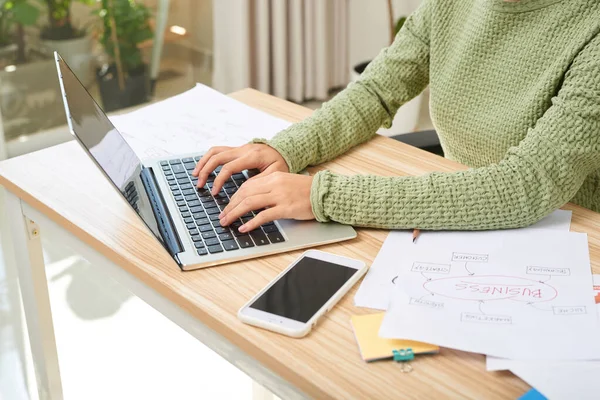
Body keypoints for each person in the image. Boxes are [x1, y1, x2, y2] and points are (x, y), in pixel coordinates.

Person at [193, 0, 600, 235]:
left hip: (572, 234)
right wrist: (288, 148)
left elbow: (524, 188)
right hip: (465, 217)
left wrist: (325, 196)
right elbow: (376, 90)